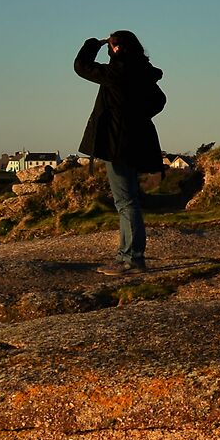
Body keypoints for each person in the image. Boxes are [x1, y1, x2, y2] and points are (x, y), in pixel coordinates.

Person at [73, 30, 167, 274]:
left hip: (118, 144)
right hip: (139, 141)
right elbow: (159, 100)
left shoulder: (117, 71)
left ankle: (132, 259)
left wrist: (92, 44)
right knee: (129, 201)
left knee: (125, 202)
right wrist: (137, 116)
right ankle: (126, 256)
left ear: (116, 48)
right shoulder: (144, 71)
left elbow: (81, 66)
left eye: (111, 47)